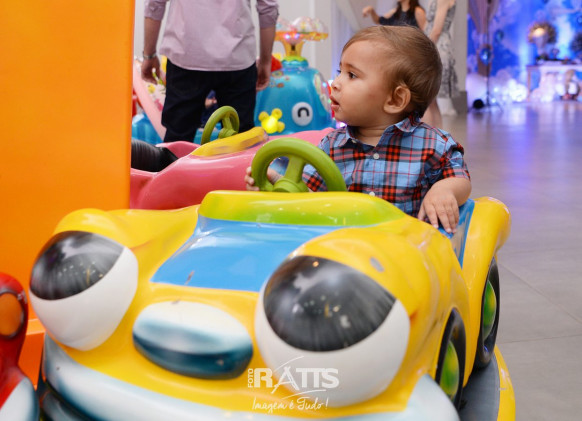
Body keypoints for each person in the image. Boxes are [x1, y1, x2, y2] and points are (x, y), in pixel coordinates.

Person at [245, 25, 471, 234]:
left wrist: (444, 190)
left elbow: (459, 177)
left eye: (352, 75)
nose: (335, 82)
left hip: (404, 253)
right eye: (340, 71)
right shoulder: (331, 146)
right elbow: (309, 199)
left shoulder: (433, 144)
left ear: (395, 99)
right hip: (345, 251)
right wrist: (280, 184)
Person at [141, 0, 278, 142]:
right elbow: (268, 7)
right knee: (239, 140)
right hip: (237, 58)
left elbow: (154, 3)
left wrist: (149, 55)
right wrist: (265, 61)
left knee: (177, 140)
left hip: (186, 55)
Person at [422, 0, 458, 128]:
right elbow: (428, 25)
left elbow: (437, 29)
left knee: (428, 97)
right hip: (433, 45)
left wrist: (423, 48)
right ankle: (435, 135)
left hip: (436, 47)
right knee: (431, 100)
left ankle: (430, 135)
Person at [362, 0, 426, 29]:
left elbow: (426, 33)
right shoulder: (395, 11)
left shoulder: (418, 11)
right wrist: (372, 10)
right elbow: (378, 20)